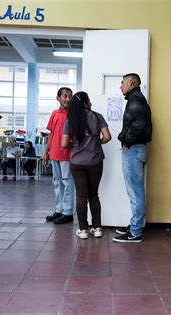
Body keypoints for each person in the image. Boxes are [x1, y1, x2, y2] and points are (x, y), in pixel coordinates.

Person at [62, 92, 111, 239]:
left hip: (77, 163)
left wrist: (75, 144)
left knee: (81, 196)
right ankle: (97, 228)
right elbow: (107, 137)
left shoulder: (70, 120)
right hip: (95, 162)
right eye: (89, 100)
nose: (90, 102)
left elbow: (64, 144)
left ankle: (83, 230)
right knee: (93, 194)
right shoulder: (97, 116)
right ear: (85, 103)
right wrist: (96, 143)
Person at [113, 73, 153, 243]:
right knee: (135, 191)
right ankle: (135, 225)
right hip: (137, 149)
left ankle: (135, 231)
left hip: (134, 149)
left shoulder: (135, 99)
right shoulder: (137, 98)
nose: (120, 86)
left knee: (135, 192)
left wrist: (127, 142)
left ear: (131, 83)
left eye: (122, 82)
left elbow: (139, 125)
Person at [43, 87, 75, 224]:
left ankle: (68, 213)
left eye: (70, 96)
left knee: (67, 183)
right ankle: (59, 210)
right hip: (54, 154)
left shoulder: (73, 115)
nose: (67, 99)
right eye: (65, 96)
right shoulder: (54, 113)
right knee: (57, 183)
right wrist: (45, 152)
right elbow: (51, 134)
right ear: (58, 98)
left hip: (67, 155)